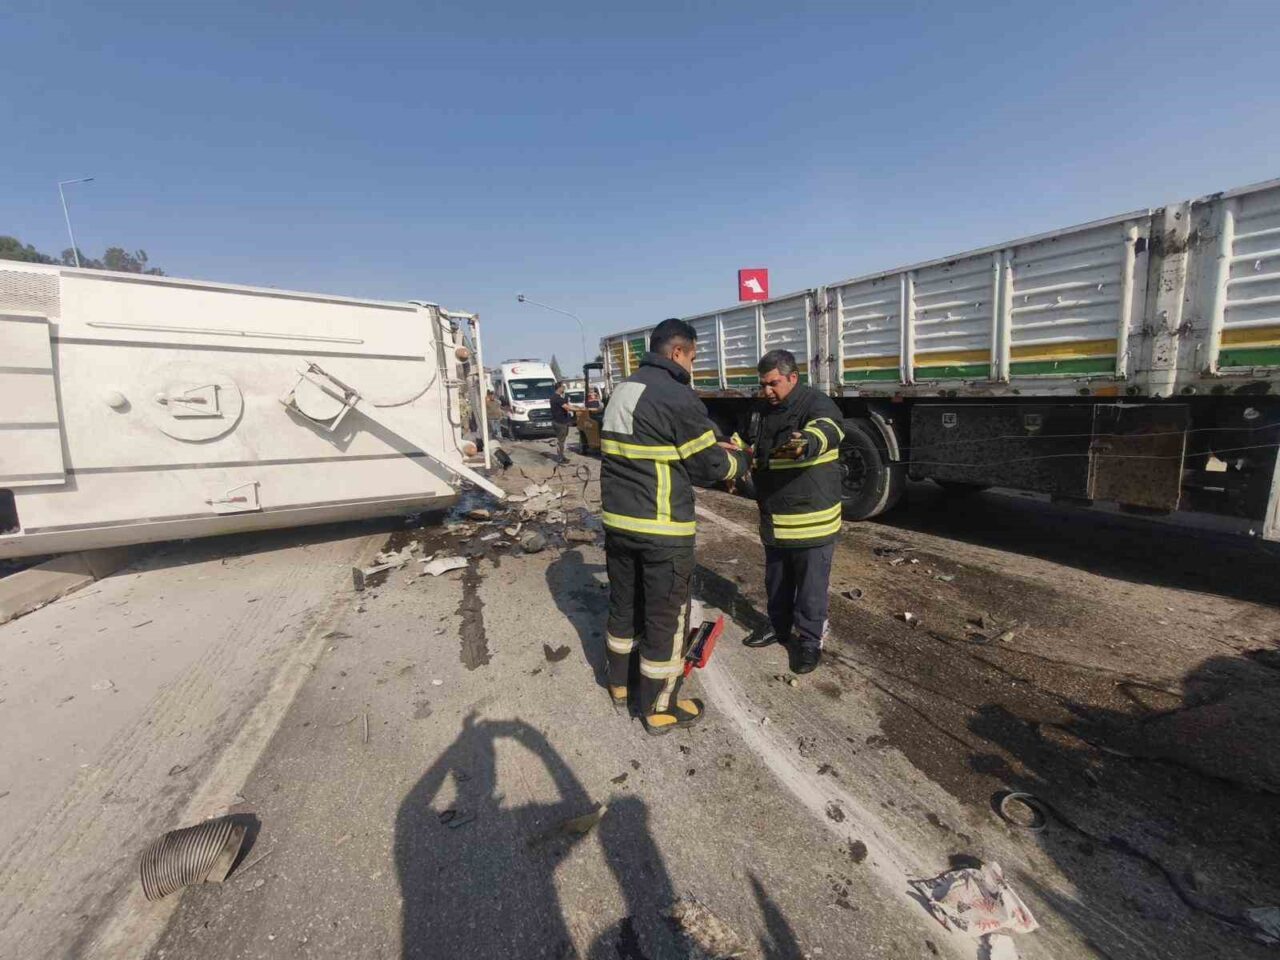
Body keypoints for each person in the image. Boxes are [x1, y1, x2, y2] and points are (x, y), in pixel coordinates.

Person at [600, 318, 748, 735]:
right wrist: (740, 460)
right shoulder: (676, 395)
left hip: (619, 525)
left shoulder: (624, 389)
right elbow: (710, 464)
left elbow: (650, 445)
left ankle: (619, 685)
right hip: (662, 530)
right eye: (693, 358)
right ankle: (660, 707)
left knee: (624, 608)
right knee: (667, 618)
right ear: (678, 352)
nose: (693, 366)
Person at [741, 349, 845, 674]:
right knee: (777, 582)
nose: (767, 391)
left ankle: (809, 642)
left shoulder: (816, 404)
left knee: (811, 591)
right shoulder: (760, 409)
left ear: (792, 378)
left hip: (810, 522)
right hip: (775, 519)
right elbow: (745, 439)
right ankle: (778, 626)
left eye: (773, 384)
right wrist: (730, 448)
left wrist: (800, 444)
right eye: (763, 385)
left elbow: (827, 431)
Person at [549, 381, 574, 463]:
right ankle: (560, 458)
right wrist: (578, 409)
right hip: (560, 423)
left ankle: (562, 456)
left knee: (561, 441)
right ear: (559, 388)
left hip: (558, 421)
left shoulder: (553, 397)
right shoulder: (557, 398)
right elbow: (567, 408)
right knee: (561, 441)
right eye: (563, 387)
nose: (564, 388)